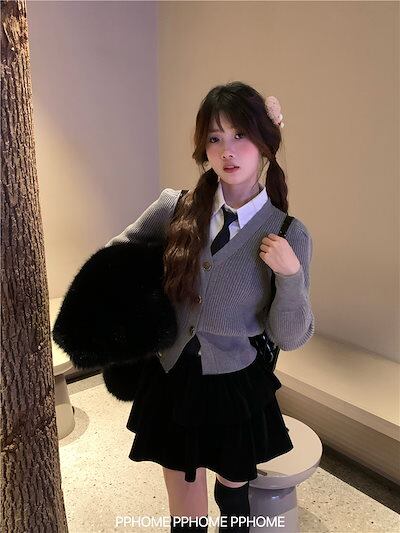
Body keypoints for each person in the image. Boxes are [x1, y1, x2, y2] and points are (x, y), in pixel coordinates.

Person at [104, 81, 315, 532]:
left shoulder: (287, 233)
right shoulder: (176, 207)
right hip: (173, 376)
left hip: (234, 383)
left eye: (240, 135)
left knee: (234, 489)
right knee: (185, 506)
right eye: (215, 138)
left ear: (265, 143)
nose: (227, 151)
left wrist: (291, 276)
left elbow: (291, 336)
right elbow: (115, 258)